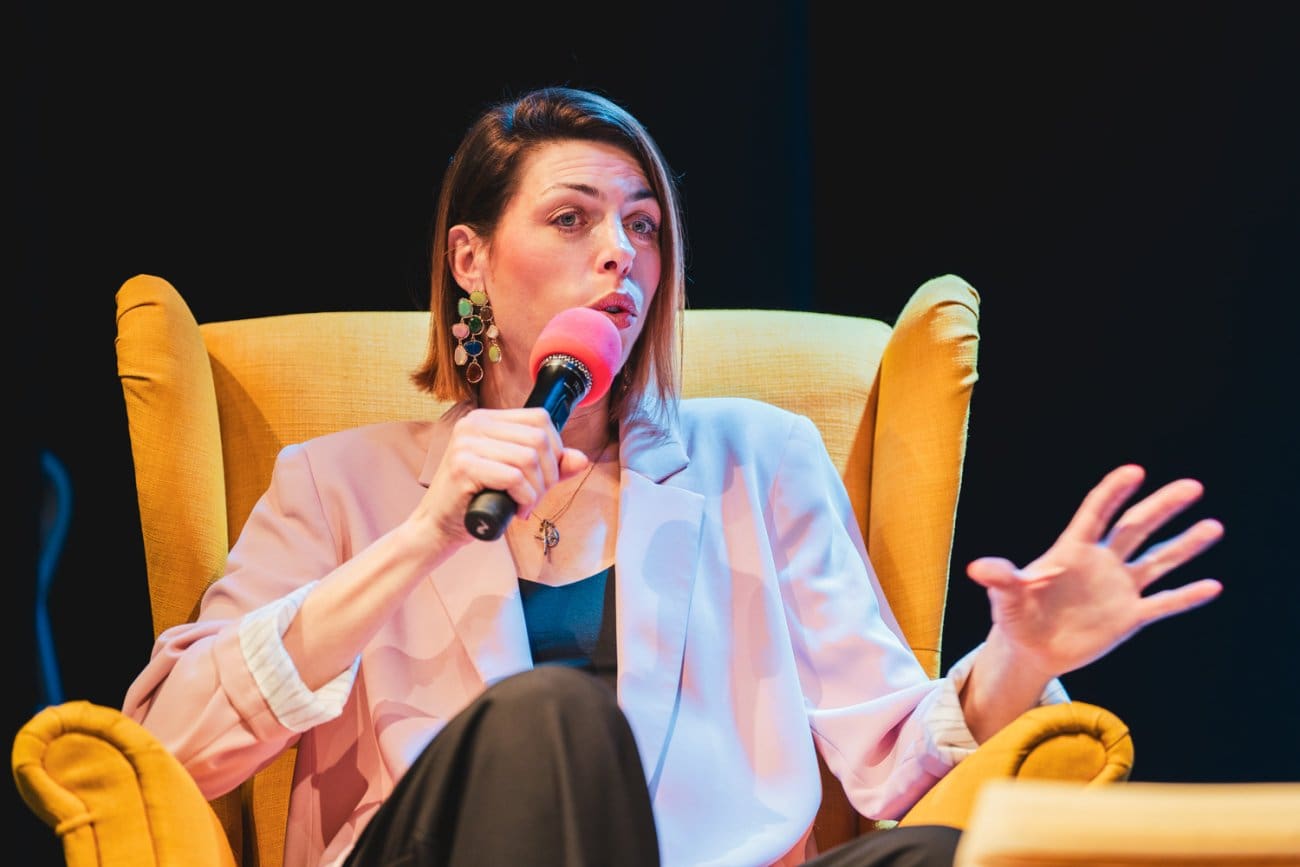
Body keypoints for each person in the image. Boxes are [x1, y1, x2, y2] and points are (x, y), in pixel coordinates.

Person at [121, 86, 1225, 867]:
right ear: (470, 260)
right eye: (572, 218)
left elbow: (892, 761)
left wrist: (1023, 655)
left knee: (938, 858)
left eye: (643, 225)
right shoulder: (335, 480)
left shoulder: (762, 457)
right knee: (548, 717)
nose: (622, 252)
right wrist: (419, 538)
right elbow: (173, 743)